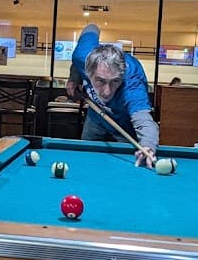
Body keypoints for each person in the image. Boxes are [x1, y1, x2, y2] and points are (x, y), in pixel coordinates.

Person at [68, 24, 158, 168]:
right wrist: (74, 77)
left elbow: (144, 121)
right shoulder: (82, 56)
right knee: (85, 161)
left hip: (124, 125)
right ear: (89, 71)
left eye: (115, 81)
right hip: (96, 118)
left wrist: (148, 146)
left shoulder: (132, 85)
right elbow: (92, 27)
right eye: (100, 81)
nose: (107, 91)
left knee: (127, 170)